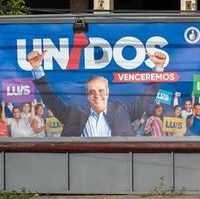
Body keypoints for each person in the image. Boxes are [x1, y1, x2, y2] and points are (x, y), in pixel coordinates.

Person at [26, 50, 167, 137]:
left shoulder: (123, 110)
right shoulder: (74, 113)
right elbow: (51, 99)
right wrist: (37, 68)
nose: (96, 95)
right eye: (92, 92)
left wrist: (158, 68)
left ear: (108, 92)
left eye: (100, 91)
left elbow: (147, 97)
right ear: (87, 96)